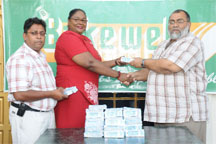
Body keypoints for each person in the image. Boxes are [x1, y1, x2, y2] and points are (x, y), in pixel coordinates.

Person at [127, 9, 208, 143]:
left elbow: (170, 66)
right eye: (172, 22)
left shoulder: (192, 42)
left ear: (189, 24)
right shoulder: (163, 44)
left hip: (184, 117)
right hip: (162, 115)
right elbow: (154, 69)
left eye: (179, 21)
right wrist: (132, 76)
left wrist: (141, 62)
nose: (175, 25)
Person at [54, 8, 129, 128]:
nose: (81, 23)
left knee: (86, 131)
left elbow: (96, 65)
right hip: (74, 94)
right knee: (72, 132)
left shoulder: (84, 40)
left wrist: (115, 62)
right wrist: (119, 75)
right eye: (76, 19)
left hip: (86, 93)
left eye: (84, 20)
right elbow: (90, 63)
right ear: (68, 21)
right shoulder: (68, 38)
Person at [6, 17, 68, 144]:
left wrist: (55, 91)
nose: (39, 37)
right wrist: (52, 93)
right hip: (29, 117)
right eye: (34, 33)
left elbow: (43, 87)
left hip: (47, 115)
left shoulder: (40, 56)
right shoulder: (20, 58)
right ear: (25, 36)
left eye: (42, 33)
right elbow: (20, 94)